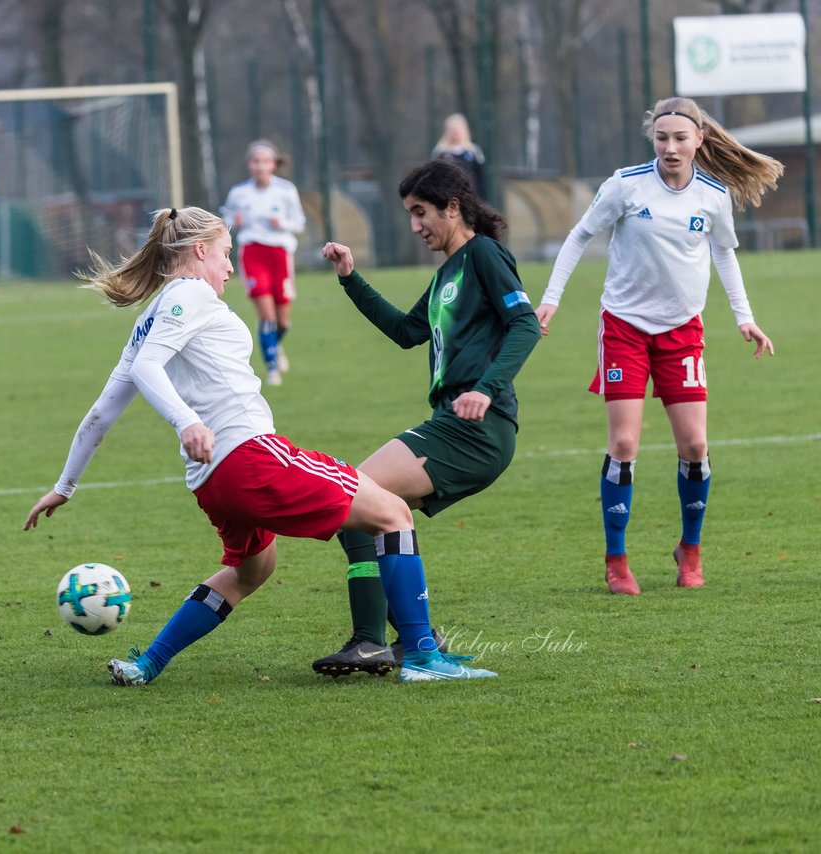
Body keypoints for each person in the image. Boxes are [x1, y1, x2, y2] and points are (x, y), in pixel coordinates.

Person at [24, 206, 495, 685]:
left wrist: (66, 484)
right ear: (200, 250)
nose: (231, 267)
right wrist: (188, 422)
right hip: (249, 456)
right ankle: (421, 657)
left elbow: (102, 411)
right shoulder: (191, 294)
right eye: (227, 254)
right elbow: (146, 373)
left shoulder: (151, 317)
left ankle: (145, 665)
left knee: (252, 571)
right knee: (393, 511)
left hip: (210, 482)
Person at [535, 96, 779, 595]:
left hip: (682, 332)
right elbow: (579, 236)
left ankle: (690, 551)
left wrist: (745, 318)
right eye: (662, 138)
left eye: (680, 138)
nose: (670, 147)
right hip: (623, 326)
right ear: (653, 139)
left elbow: (725, 255)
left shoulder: (712, 194)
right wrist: (550, 299)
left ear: (699, 141)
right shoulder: (625, 185)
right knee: (624, 444)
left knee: (695, 446)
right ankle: (616, 559)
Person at [311, 159, 540, 677]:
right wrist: (351, 279)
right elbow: (405, 330)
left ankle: (394, 643)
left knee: (350, 493)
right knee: (356, 508)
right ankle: (401, 642)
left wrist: (485, 388)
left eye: (421, 213)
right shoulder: (448, 274)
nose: (415, 226)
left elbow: (523, 324)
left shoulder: (484, 254)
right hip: (452, 422)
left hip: (477, 429)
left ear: (453, 207)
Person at [222, 139, 305, 387]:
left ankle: (275, 346)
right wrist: (233, 221)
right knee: (267, 315)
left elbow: (299, 223)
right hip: (252, 252)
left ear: (273, 164)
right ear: (250, 164)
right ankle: (271, 368)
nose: (260, 166)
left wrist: (283, 224)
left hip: (280, 254)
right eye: (256, 161)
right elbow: (226, 221)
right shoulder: (239, 193)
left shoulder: (286, 191)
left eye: (265, 161)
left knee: (282, 321)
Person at [432, 113, 487, 201]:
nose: (455, 133)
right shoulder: (440, 153)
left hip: (471, 198)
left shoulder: (474, 151)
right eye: (452, 130)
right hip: (448, 199)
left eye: (458, 129)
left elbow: (481, 178)